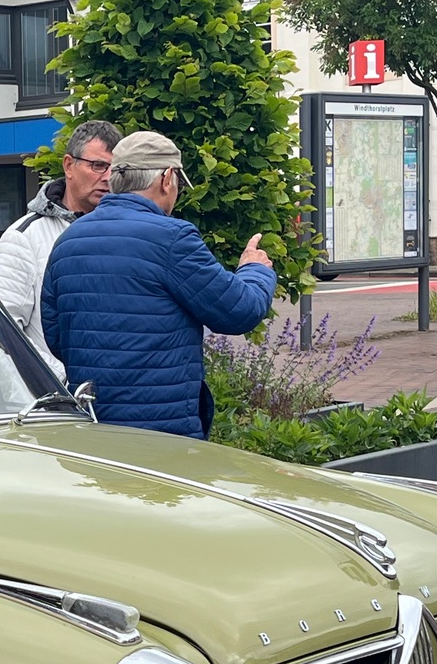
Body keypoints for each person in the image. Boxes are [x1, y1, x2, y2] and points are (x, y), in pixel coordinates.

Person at [42, 130, 275, 439]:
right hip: (164, 430)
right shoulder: (172, 238)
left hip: (92, 427)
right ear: (167, 179)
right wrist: (255, 269)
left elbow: (56, 336)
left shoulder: (68, 240)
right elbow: (239, 311)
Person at [0, 119, 121, 378]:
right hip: (56, 395)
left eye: (115, 169)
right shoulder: (24, 237)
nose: (107, 177)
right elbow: (0, 331)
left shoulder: (127, 233)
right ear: (69, 165)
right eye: (98, 166)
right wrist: (63, 381)